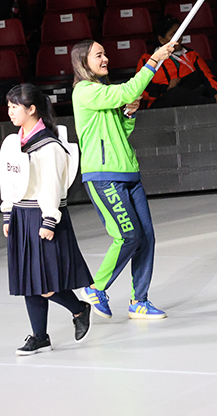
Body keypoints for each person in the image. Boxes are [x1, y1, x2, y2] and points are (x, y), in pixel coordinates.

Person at [72, 38, 175, 320]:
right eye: (98, 55)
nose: (105, 59)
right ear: (83, 63)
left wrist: (129, 112)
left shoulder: (103, 92)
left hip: (128, 174)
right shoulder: (84, 91)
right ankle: (96, 288)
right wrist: (155, 60)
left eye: (105, 54)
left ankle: (138, 301)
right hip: (104, 178)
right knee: (128, 235)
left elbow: (120, 131)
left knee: (146, 238)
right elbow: (129, 89)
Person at [0, 83, 93, 356]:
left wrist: (49, 220)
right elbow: (8, 178)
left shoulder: (49, 146)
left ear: (32, 109)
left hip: (43, 215)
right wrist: (8, 213)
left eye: (15, 106)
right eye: (8, 106)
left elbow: (52, 185)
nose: (10, 112)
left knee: (45, 282)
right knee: (29, 281)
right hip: (21, 214)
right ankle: (39, 336)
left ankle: (79, 308)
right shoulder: (13, 143)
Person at [136, 16, 217, 109]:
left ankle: (211, 104)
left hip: (191, 98)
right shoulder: (147, 59)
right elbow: (141, 88)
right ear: (161, 39)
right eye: (173, 34)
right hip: (162, 105)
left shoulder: (192, 55)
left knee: (202, 74)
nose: (179, 37)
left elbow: (208, 77)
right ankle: (209, 104)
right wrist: (166, 88)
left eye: (180, 33)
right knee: (176, 92)